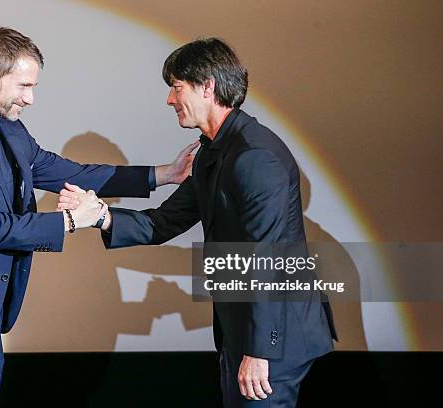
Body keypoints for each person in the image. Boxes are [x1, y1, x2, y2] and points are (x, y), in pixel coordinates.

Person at [0, 27, 195, 407]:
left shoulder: (11, 131)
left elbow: (70, 172)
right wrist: (71, 221)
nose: (30, 98)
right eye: (24, 86)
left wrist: (163, 174)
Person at [59, 38, 337, 407]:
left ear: (208, 87)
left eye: (176, 88)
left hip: (276, 337)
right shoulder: (213, 150)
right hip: (244, 329)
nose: (170, 100)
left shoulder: (254, 157)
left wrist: (258, 352)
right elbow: (164, 222)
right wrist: (101, 216)